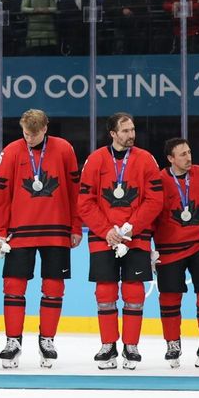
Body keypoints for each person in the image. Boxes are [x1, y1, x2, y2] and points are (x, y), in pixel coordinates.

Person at [0, 109, 82, 368]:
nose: (28, 138)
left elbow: (75, 191)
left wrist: (76, 226)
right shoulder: (10, 151)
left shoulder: (64, 149)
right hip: (19, 231)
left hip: (56, 229)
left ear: (45, 129)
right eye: (25, 133)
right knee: (13, 286)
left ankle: (47, 340)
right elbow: (1, 195)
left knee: (54, 287)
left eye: (33, 133)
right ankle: (12, 341)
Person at [77, 112, 163, 369]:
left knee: (134, 291)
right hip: (104, 237)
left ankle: (131, 346)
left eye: (133, 130)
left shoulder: (146, 159)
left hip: (135, 235)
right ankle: (108, 345)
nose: (131, 135)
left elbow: (154, 200)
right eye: (125, 131)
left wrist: (131, 227)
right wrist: (107, 231)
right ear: (112, 134)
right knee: (105, 291)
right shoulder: (95, 160)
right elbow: (85, 202)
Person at [154, 137, 199, 368]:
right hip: (169, 247)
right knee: (170, 298)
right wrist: (147, 246)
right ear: (170, 158)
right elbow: (149, 211)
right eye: (182, 154)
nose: (188, 157)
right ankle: (172, 343)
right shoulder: (158, 180)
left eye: (189, 152)